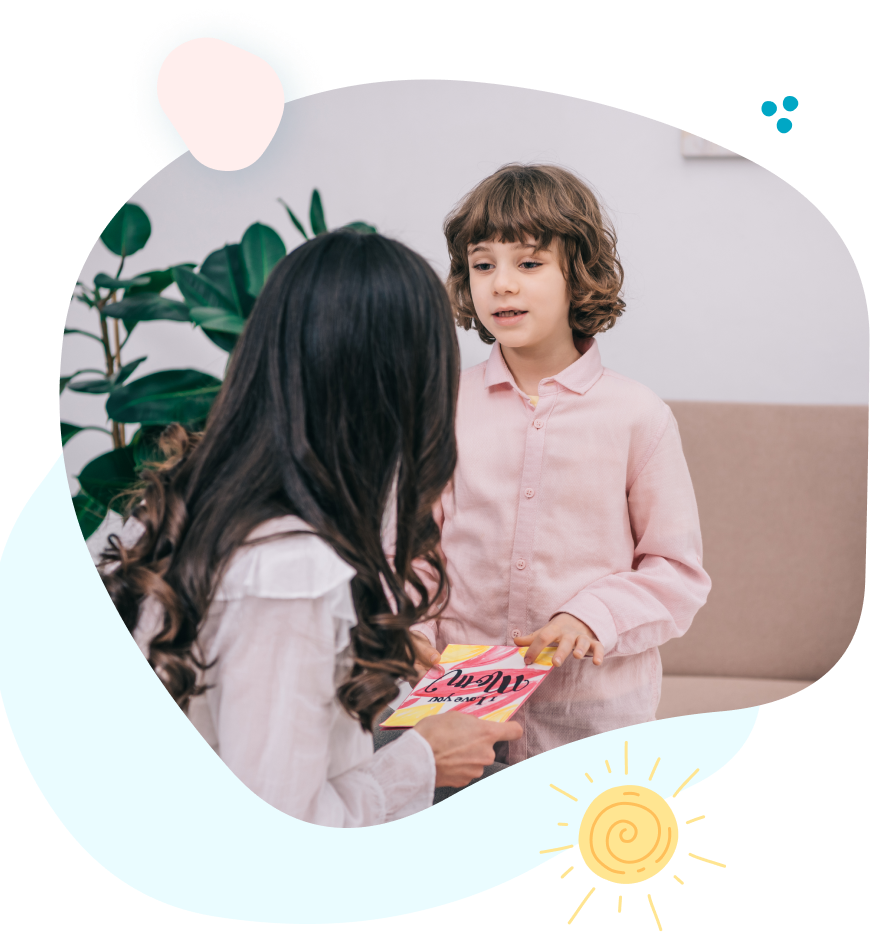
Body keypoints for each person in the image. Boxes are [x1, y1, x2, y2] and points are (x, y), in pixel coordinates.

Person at [98, 229, 522, 827]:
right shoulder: (287, 576)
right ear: (402, 391)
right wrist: (424, 760)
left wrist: (371, 657)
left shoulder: (218, 504)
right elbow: (278, 836)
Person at [407, 164, 713, 764]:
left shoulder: (637, 415)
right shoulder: (441, 405)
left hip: (595, 718)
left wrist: (590, 617)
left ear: (579, 273)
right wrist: (409, 632)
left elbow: (676, 572)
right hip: (459, 707)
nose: (502, 285)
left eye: (528, 263)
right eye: (483, 264)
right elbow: (416, 548)